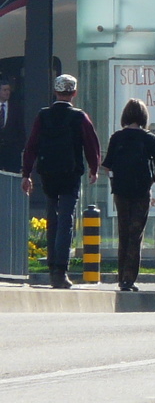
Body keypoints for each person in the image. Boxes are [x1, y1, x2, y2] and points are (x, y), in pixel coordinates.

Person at [21, 74, 101, 289]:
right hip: (70, 174)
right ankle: (60, 271)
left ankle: (51, 267)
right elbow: (91, 144)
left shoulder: (43, 116)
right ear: (74, 93)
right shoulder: (80, 117)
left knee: (52, 218)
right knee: (66, 219)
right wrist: (94, 168)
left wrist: (26, 174)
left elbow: (32, 145)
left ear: (55, 92)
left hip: (47, 174)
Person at [101, 98, 155, 291]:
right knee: (135, 234)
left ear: (125, 116)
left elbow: (106, 165)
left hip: (120, 190)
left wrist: (116, 178)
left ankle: (121, 278)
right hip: (141, 192)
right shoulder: (149, 138)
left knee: (123, 232)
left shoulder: (117, 137)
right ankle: (130, 279)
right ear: (144, 117)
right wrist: (148, 181)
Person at [0, 77, 25, 174]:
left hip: (12, 152)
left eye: (8, 90)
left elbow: (21, 129)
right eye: (4, 90)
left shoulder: (16, 108)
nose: (7, 92)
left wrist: (19, 148)